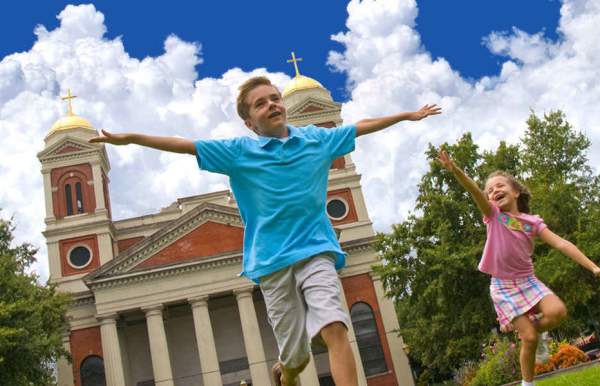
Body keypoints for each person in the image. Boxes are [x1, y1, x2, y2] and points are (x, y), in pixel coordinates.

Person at [90, 76, 441, 386]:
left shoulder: (316, 140)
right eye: (261, 103)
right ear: (249, 122)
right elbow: (184, 144)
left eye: (275, 98)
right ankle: (285, 373)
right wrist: (131, 138)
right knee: (297, 357)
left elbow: (360, 126)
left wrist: (408, 115)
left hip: (316, 249)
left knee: (336, 327)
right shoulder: (239, 152)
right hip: (272, 264)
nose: (272, 104)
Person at [437, 149, 600, 386]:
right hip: (503, 286)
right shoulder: (493, 215)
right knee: (529, 337)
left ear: (515, 192)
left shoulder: (532, 223)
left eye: (500, 185)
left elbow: (562, 244)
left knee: (558, 312)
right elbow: (474, 191)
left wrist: (593, 267)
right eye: (490, 190)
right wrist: (456, 171)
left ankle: (538, 329)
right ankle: (527, 383)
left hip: (528, 280)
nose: (494, 191)